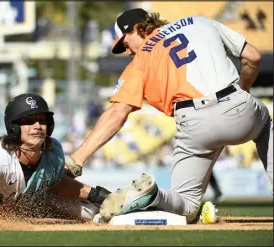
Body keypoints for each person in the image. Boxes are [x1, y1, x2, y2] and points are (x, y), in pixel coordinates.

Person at [65, 8, 273, 223]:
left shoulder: (140, 62)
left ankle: (153, 195)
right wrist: (242, 89)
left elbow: (117, 113)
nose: (127, 51)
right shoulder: (200, 20)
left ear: (138, 28)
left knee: (187, 206)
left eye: (126, 44)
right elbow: (253, 57)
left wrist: (77, 159)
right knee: (266, 125)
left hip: (194, 124)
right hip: (237, 105)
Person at [0, 93, 111, 222]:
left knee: (92, 212)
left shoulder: (54, 152)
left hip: (29, 202)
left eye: (42, 120)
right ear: (14, 127)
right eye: (29, 121)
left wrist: (96, 195)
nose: (38, 126)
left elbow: (57, 183)